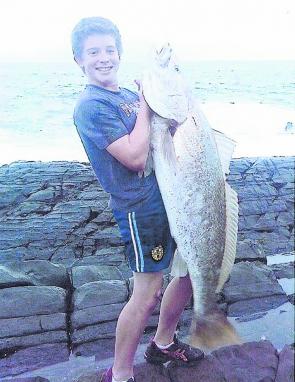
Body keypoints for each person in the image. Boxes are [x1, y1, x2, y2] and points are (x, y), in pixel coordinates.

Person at [71, 17, 204, 382]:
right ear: (79, 60)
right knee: (147, 293)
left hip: (169, 198)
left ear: (120, 53)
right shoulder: (92, 106)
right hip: (139, 209)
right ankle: (121, 373)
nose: (103, 58)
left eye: (109, 50)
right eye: (93, 52)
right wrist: (147, 104)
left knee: (191, 269)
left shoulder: (128, 96)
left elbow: (166, 135)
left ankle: (162, 343)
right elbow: (133, 156)